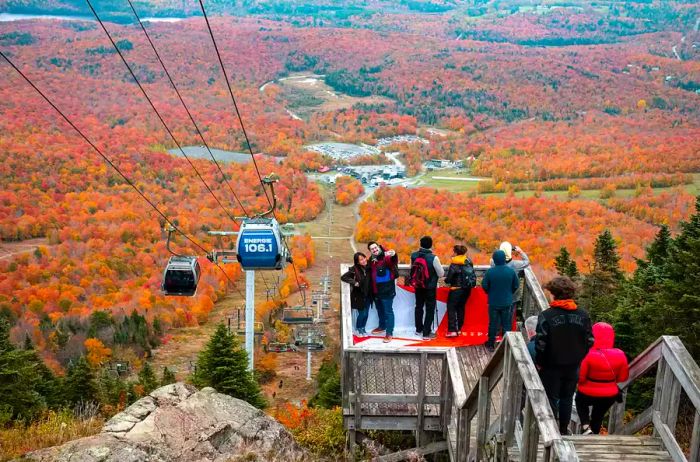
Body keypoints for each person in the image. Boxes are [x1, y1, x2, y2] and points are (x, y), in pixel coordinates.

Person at [535, 276, 594, 435]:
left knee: (552, 398)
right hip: (573, 366)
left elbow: (541, 343)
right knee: (567, 398)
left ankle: (552, 431)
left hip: (551, 366)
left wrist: (540, 362)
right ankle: (563, 429)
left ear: (554, 294)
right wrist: (579, 357)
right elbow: (589, 340)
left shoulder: (547, 315)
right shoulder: (583, 315)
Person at [576, 322, 629, 435]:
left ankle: (585, 426)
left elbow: (581, 378)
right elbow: (623, 377)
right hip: (609, 394)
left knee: (580, 401)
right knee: (598, 414)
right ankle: (594, 434)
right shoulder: (620, 354)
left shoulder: (588, 354)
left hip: (588, 392)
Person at [481, 249, 519, 352]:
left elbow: (484, 285)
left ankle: (490, 344)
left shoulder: (490, 272)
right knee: (507, 323)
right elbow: (516, 285)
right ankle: (507, 345)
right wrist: (509, 293)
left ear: (494, 259)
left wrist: (490, 292)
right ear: (504, 259)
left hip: (493, 301)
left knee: (493, 323)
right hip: (507, 301)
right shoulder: (511, 271)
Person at [410, 236, 445, 340]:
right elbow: (441, 273)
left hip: (418, 286)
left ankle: (418, 329)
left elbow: (412, 269)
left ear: (420, 244)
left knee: (418, 307)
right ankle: (426, 333)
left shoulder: (413, 255)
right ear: (431, 245)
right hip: (430, 287)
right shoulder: (433, 258)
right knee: (430, 309)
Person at [368, 241, 398, 343]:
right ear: (370, 251)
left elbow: (393, 260)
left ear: (379, 247)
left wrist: (394, 254)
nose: (375, 250)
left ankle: (389, 333)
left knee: (388, 312)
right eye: (372, 249)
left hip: (387, 291)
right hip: (376, 291)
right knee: (380, 310)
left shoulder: (386, 257)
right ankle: (382, 326)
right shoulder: (372, 260)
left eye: (375, 248)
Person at [491, 241, 530, 320]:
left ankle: (498, 329)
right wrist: (520, 251)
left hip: (497, 295)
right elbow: (527, 262)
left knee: (497, 316)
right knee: (510, 315)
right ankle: (507, 330)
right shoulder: (516, 265)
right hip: (512, 296)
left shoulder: (493, 263)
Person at [443, 245, 476, 337]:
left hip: (456, 289)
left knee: (451, 307)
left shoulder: (454, 263)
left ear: (456, 252)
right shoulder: (468, 261)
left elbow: (449, 279)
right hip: (467, 289)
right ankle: (460, 329)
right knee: (461, 307)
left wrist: (445, 280)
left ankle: (452, 330)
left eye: (453, 251)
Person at [341, 252, 372, 337]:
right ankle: (358, 328)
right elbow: (344, 277)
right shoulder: (354, 269)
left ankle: (363, 328)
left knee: (367, 313)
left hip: (369, 294)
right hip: (359, 295)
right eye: (361, 260)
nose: (363, 260)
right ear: (358, 262)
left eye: (364, 258)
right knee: (362, 313)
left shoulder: (369, 266)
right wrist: (354, 282)